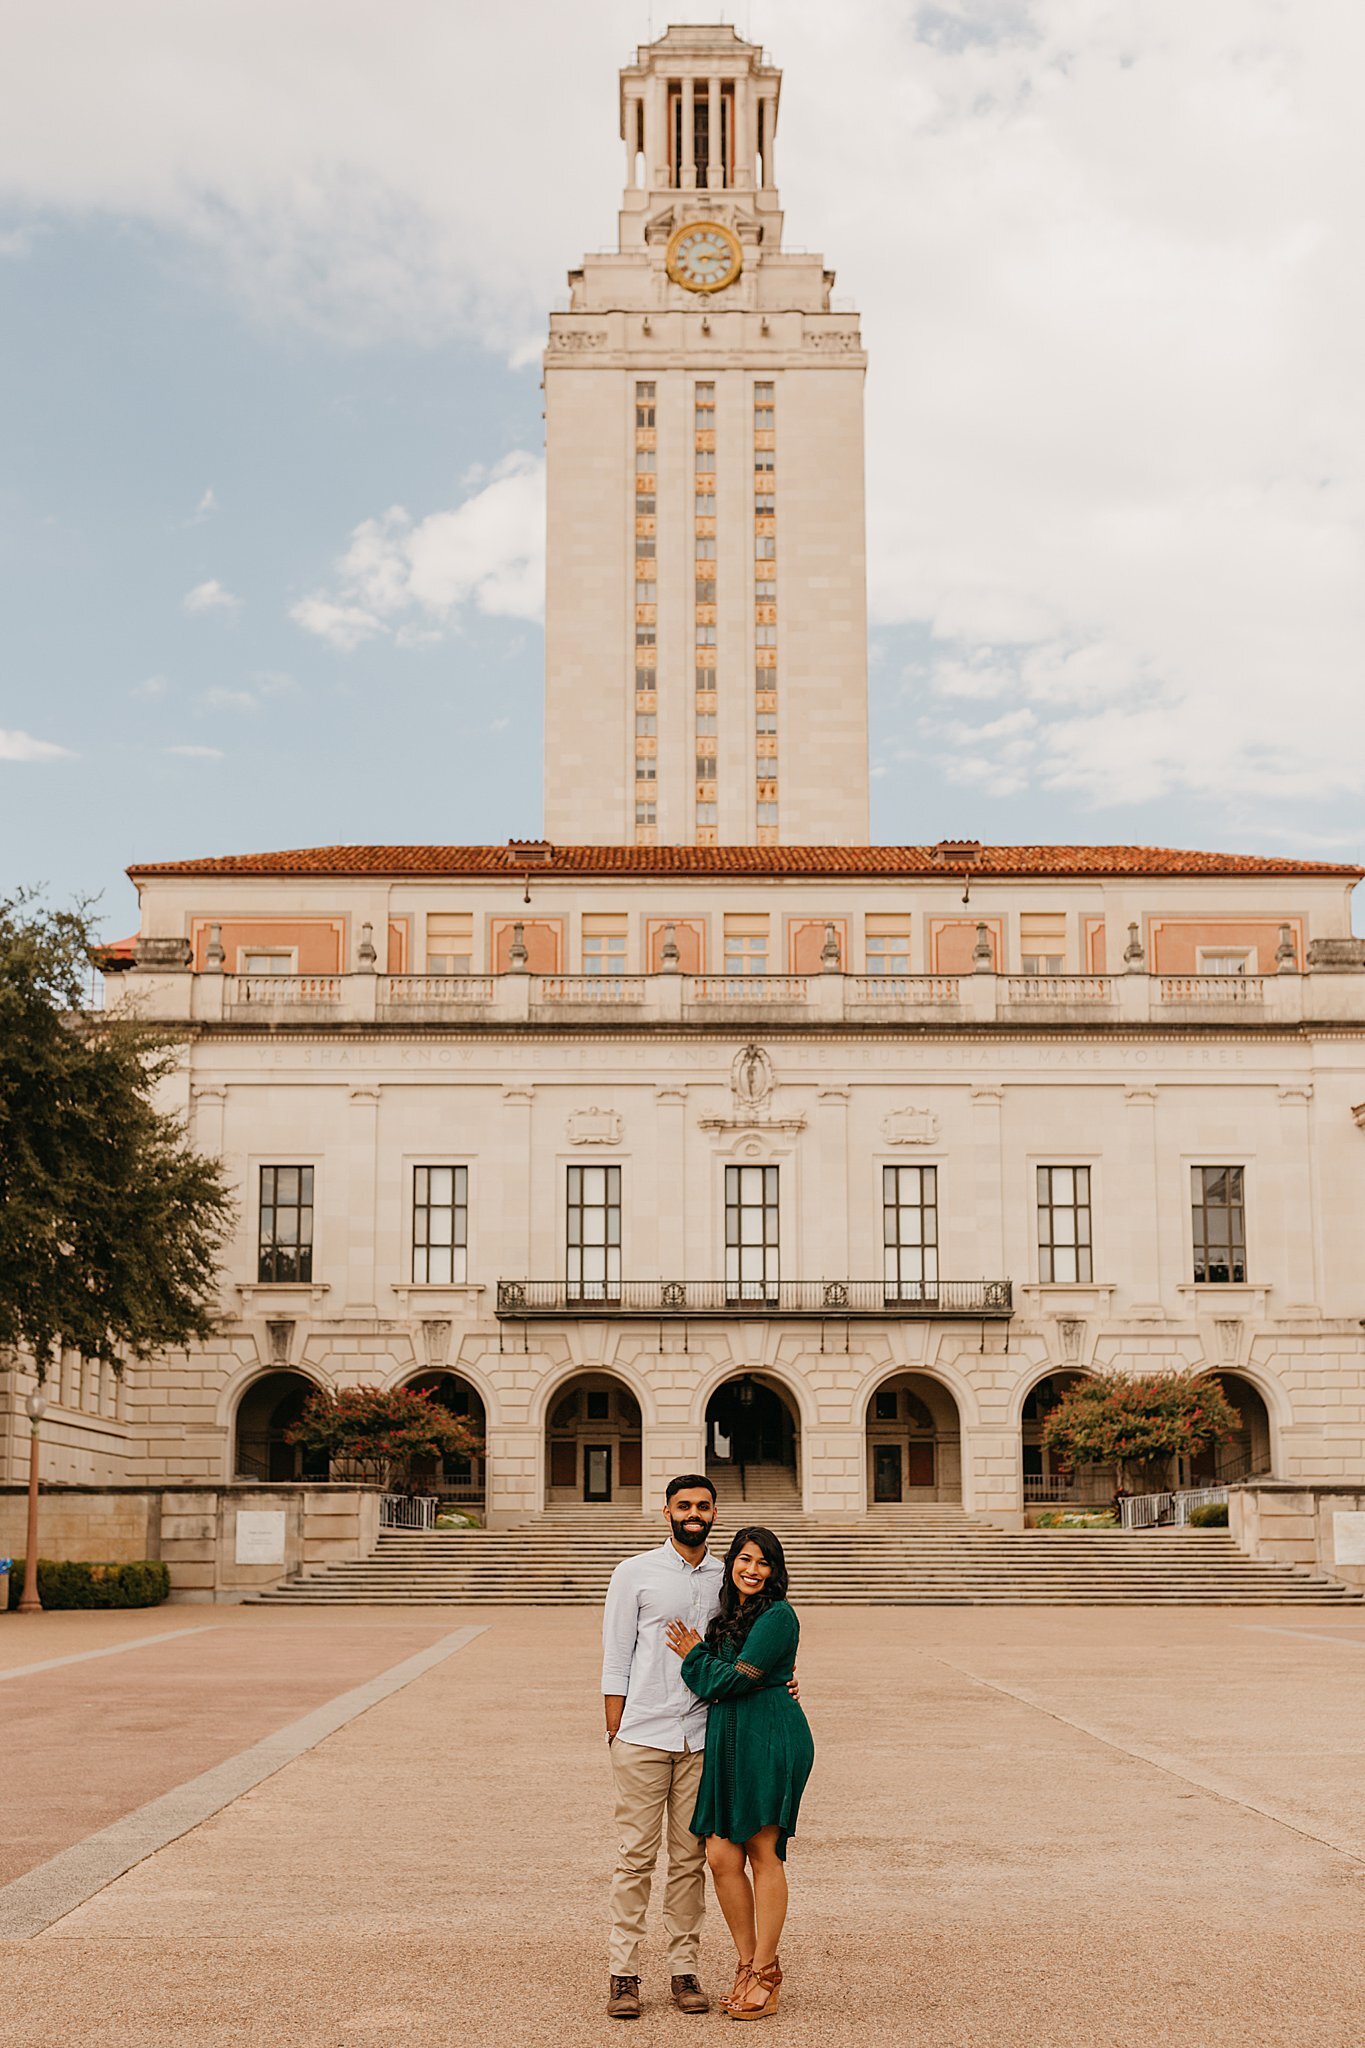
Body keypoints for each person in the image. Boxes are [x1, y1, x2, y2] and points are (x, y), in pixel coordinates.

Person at [600, 1474, 799, 2020]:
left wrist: (782, 1675)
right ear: (666, 1511)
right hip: (643, 1732)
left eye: (703, 1506)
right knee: (635, 1857)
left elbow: (755, 1641)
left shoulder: (727, 1576)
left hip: (705, 1737)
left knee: (692, 1859)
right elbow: (616, 1653)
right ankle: (624, 1973)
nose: (694, 1513)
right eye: (683, 1505)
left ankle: (683, 1970)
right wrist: (614, 1727)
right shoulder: (634, 1572)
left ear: (715, 1512)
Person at [665, 1525, 814, 2021]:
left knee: (762, 1849)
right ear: (732, 1563)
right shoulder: (727, 1615)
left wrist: (694, 1657)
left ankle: (766, 1973)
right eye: (745, 1559)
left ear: (776, 1571)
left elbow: (729, 1681)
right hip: (728, 1739)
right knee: (721, 1854)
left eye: (764, 1562)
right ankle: (748, 1964)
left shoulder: (777, 1615)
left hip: (769, 1735)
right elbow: (730, 1682)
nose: (752, 1570)